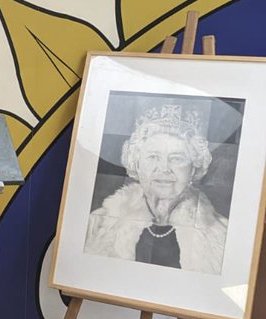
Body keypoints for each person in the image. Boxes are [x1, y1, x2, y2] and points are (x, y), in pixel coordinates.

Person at [85, 103, 228, 274]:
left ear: (194, 168)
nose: (164, 168)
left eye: (176, 158)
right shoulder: (97, 223)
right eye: (153, 157)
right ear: (136, 164)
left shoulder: (222, 235)